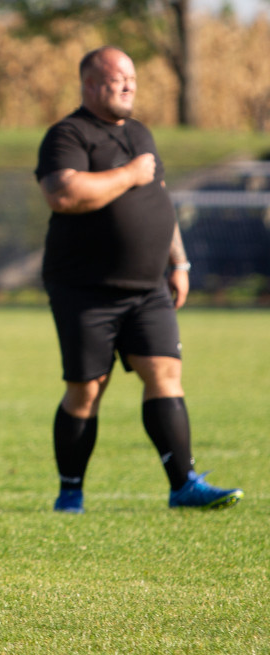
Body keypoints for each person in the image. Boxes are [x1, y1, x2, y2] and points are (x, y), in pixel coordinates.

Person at [35, 47, 244, 513]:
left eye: (132, 76)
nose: (129, 84)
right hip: (85, 289)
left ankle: (184, 484)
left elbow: (161, 202)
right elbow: (64, 193)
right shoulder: (68, 134)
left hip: (149, 286)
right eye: (118, 78)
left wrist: (179, 262)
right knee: (88, 388)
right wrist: (129, 174)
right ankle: (70, 492)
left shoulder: (142, 133)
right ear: (90, 84)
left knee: (165, 372)